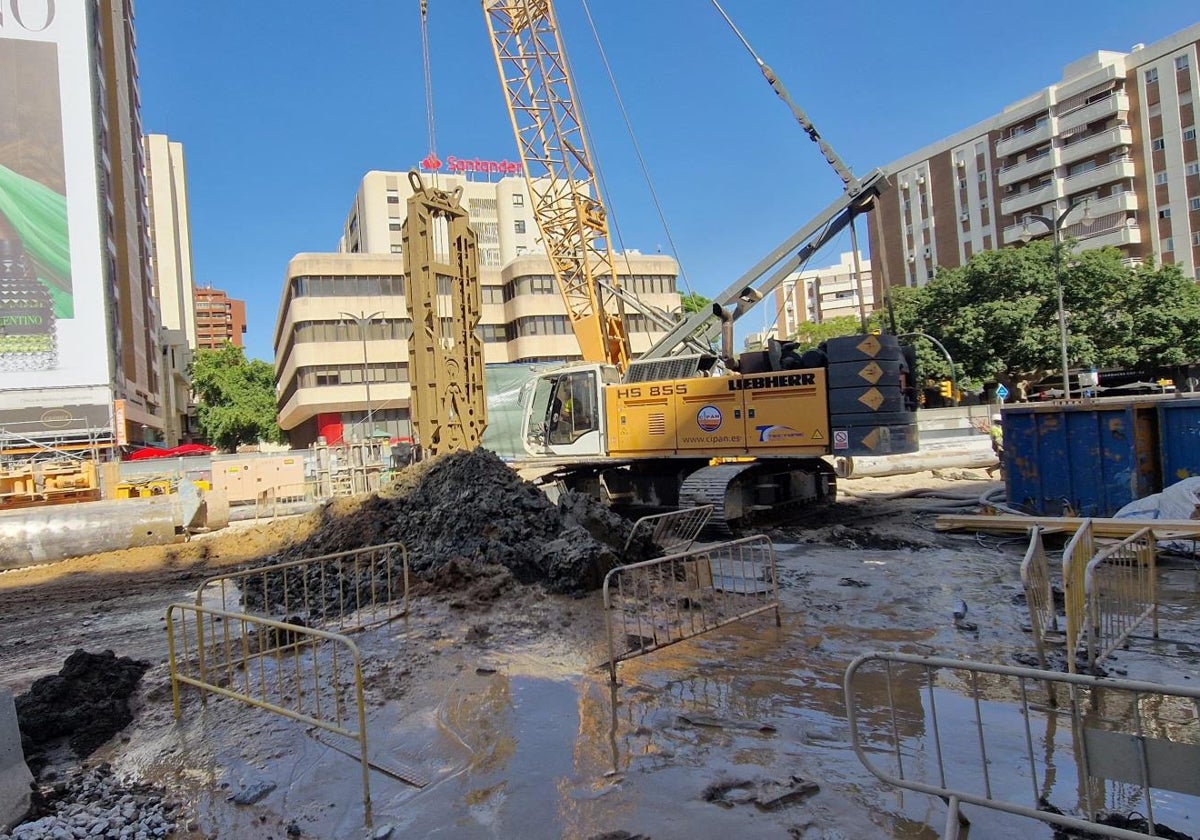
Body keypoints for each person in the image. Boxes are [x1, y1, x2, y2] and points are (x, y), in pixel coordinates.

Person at [988, 414, 1005, 478]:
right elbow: (997, 440)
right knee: (1004, 462)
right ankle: (1003, 476)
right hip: (1000, 447)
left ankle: (990, 470)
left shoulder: (999, 427)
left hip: (1002, 446)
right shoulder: (994, 428)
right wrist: (1004, 446)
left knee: (1005, 461)